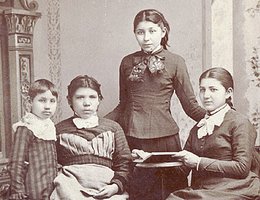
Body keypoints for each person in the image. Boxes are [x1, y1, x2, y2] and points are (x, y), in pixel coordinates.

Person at [105, 9, 206, 200]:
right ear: (135, 34)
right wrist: (99, 123)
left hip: (166, 140)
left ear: (163, 31)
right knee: (138, 193)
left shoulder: (176, 62)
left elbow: (190, 105)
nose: (146, 38)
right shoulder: (127, 62)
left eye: (152, 31)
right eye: (140, 32)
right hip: (133, 138)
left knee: (171, 193)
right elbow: (123, 104)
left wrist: (221, 118)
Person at [166, 67, 260, 199]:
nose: (206, 95)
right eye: (202, 89)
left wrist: (199, 162)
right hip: (204, 190)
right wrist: (150, 158)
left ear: (228, 93)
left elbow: (242, 168)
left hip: (235, 189)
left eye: (213, 89)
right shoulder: (198, 128)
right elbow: (182, 170)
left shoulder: (240, 123)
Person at [50, 75, 132, 200]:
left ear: (99, 99)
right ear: (69, 100)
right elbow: (51, 164)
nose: (87, 103)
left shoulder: (113, 127)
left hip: (107, 186)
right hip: (70, 186)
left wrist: (115, 186)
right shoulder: (58, 129)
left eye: (92, 97)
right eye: (79, 97)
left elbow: (125, 164)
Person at [8, 79, 58, 200]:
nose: (47, 106)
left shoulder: (49, 126)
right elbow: (16, 162)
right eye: (42, 100)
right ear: (30, 102)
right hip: (34, 187)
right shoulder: (25, 128)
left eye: (52, 101)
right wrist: (18, 189)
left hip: (51, 185)